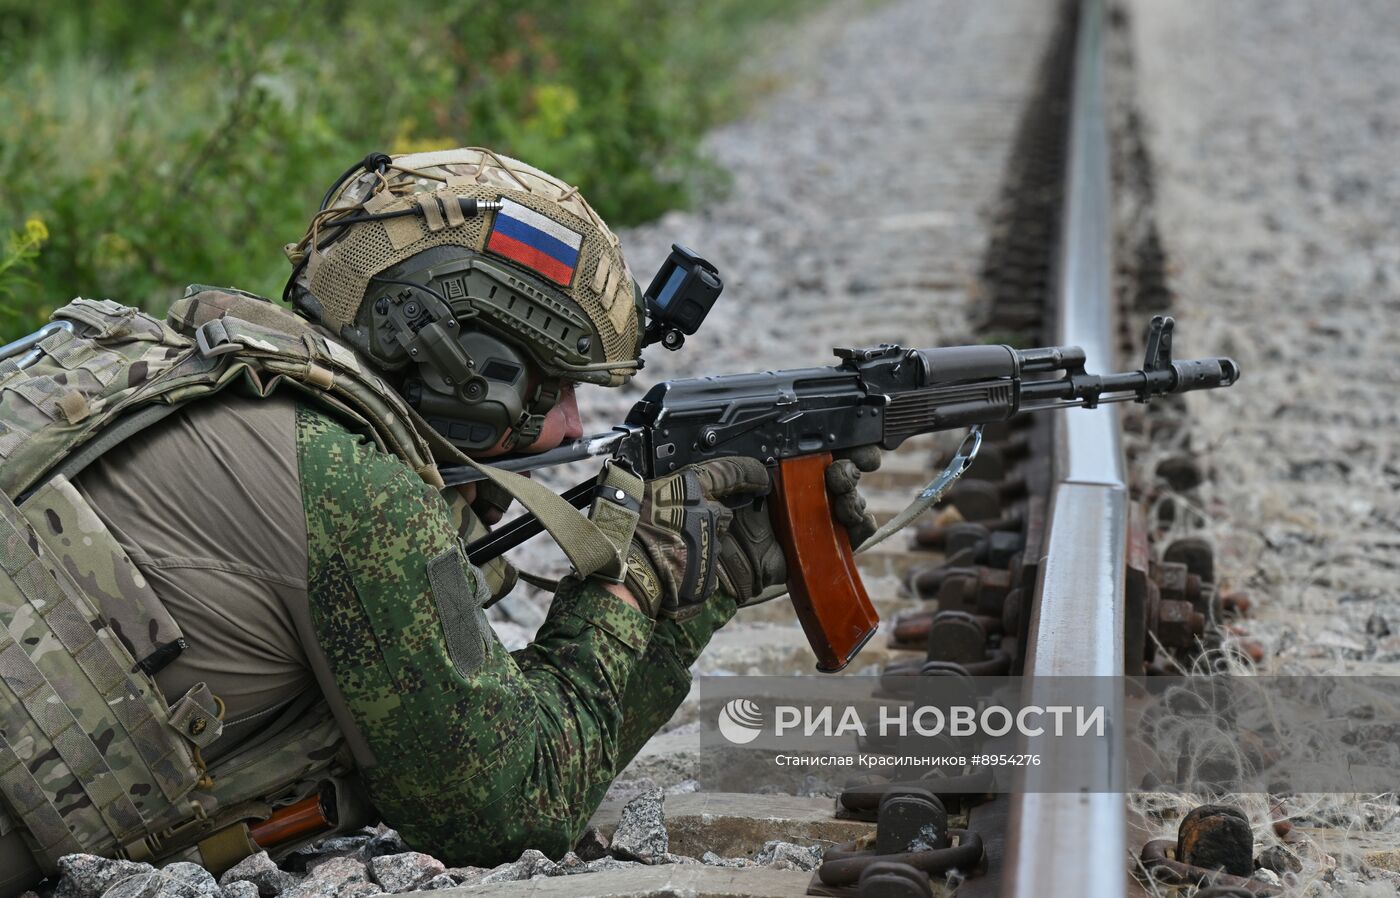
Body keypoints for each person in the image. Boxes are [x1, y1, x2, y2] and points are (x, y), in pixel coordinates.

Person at [0, 147, 876, 892]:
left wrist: (700, 581)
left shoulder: (187, 379)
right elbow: (507, 805)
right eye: (551, 384)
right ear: (460, 364)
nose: (574, 426)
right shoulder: (352, 488)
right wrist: (640, 580)